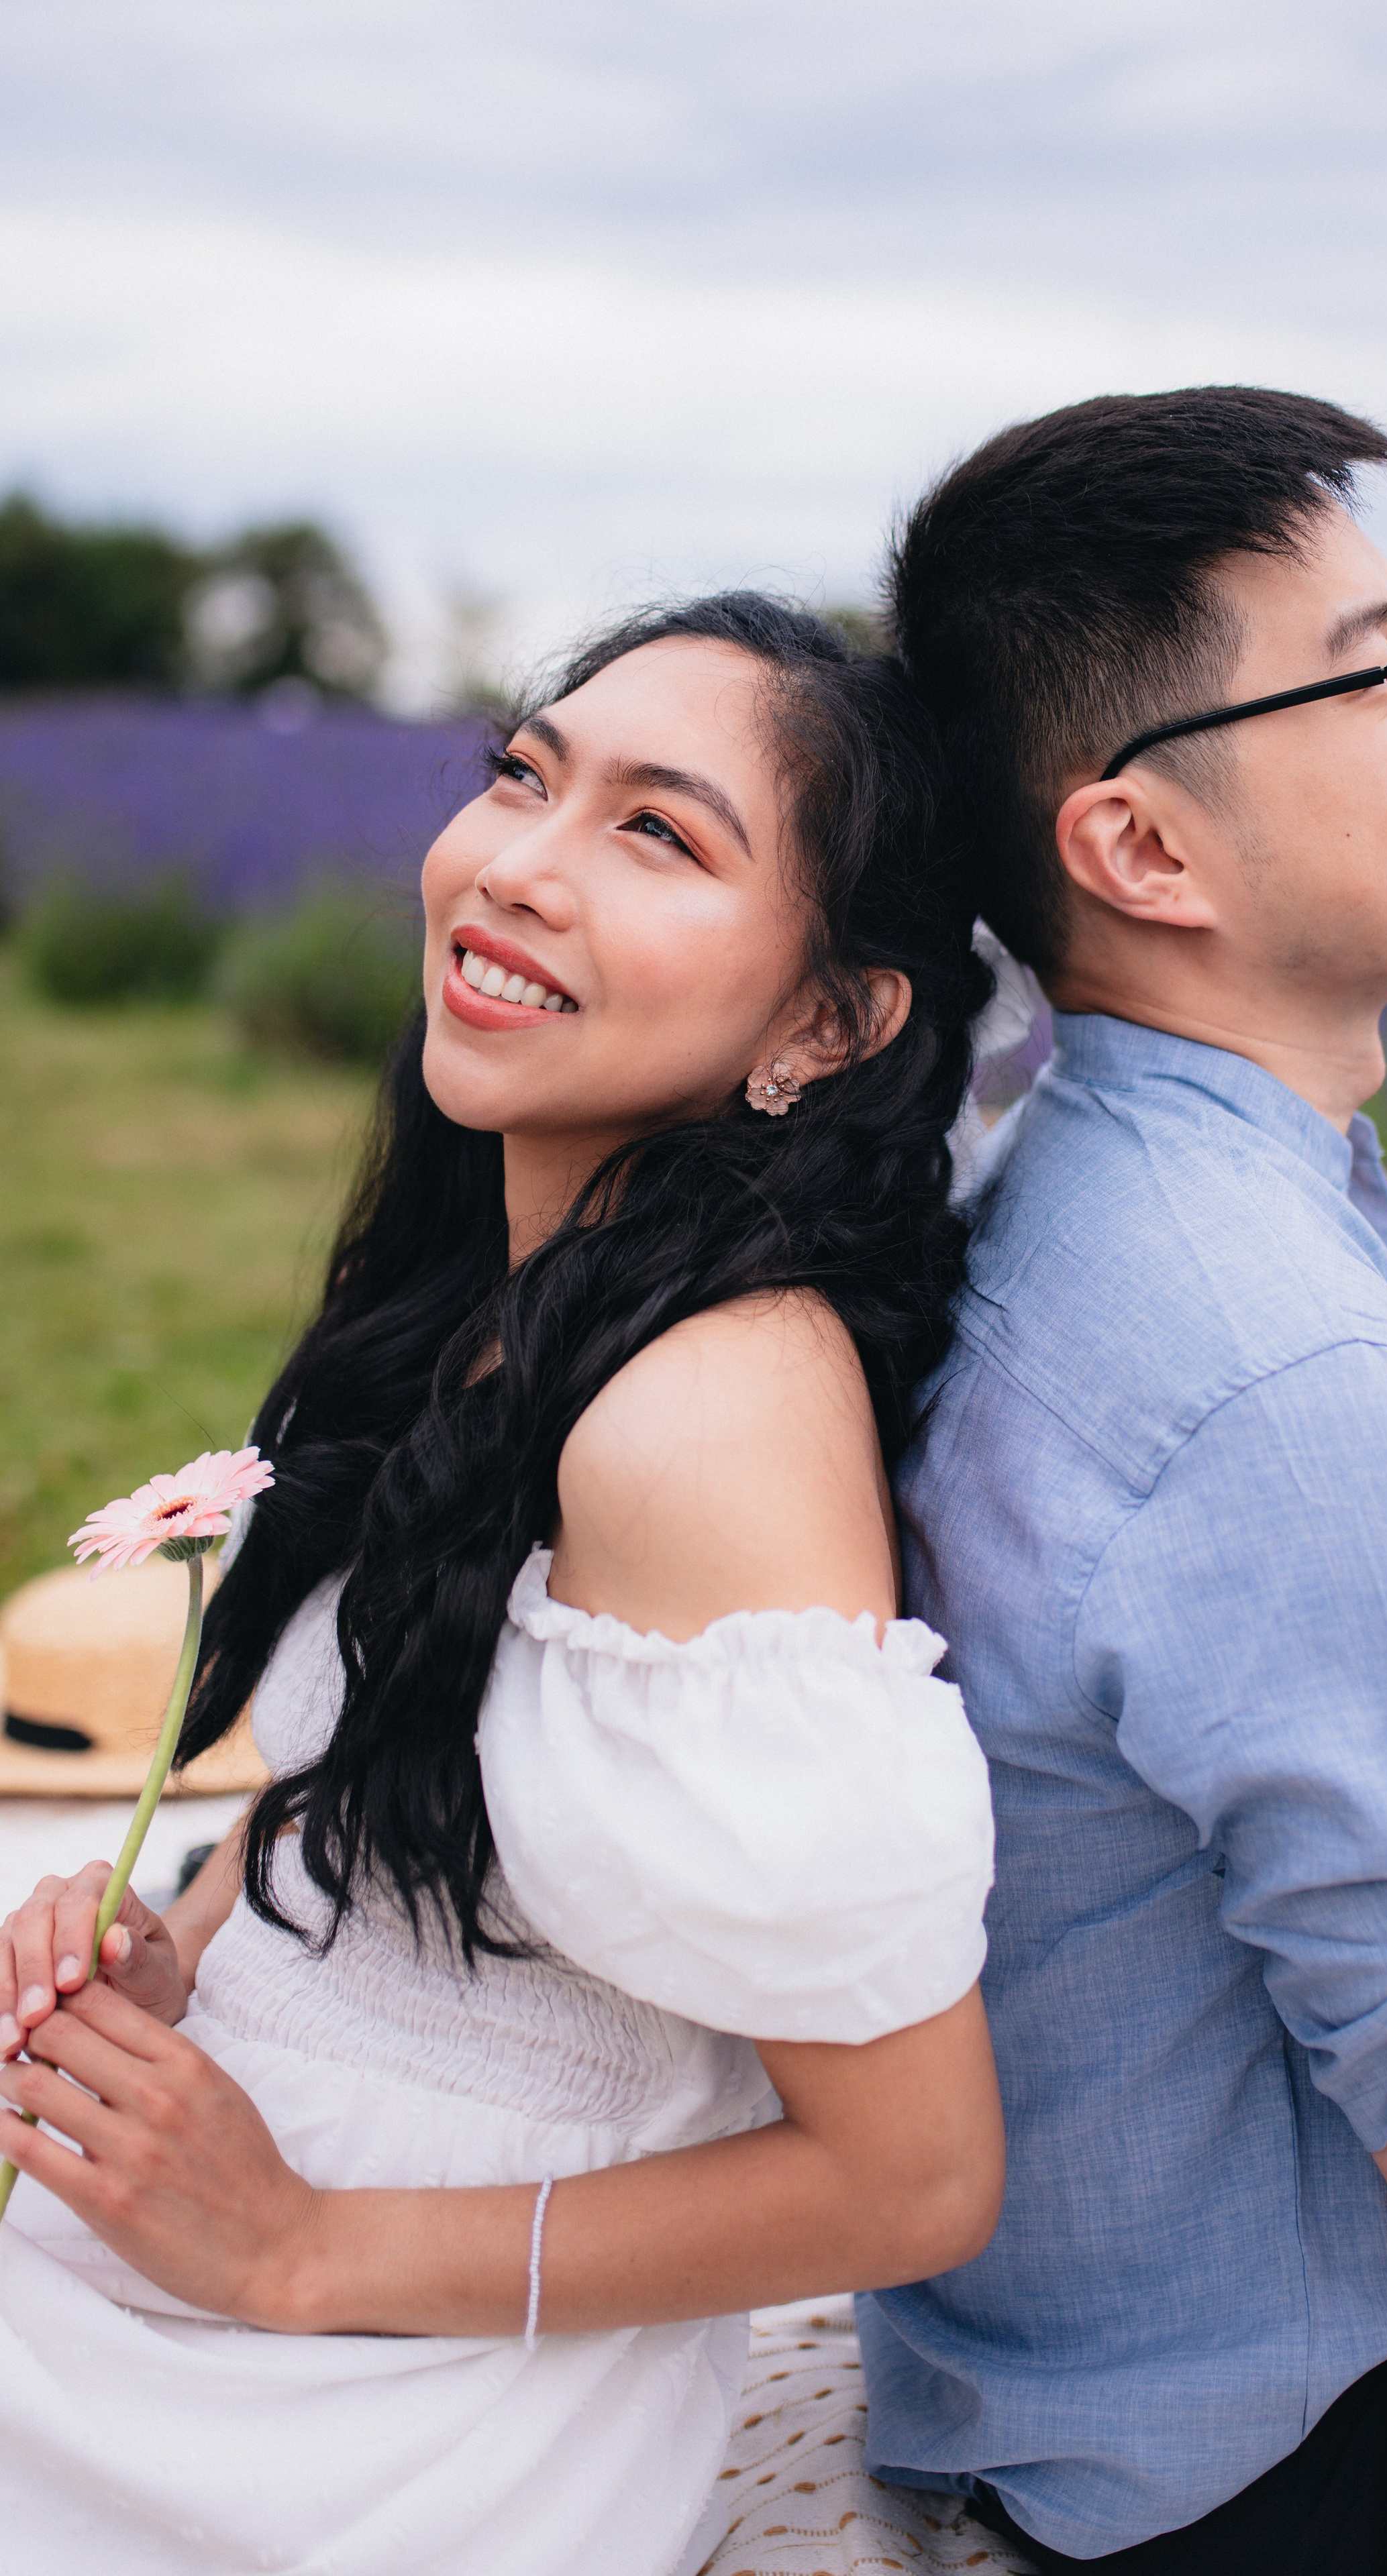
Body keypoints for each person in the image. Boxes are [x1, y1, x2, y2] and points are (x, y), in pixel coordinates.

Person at [0, 594, 1004, 2576]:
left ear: (831, 1020)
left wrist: (297, 2248)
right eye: (526, 775)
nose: (516, 865)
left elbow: (918, 2177)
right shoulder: (509, 1280)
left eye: (660, 833)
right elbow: (384, 1782)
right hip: (212, 2218)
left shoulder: (705, 1418)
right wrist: (164, 1957)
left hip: (374, 2397)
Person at [859, 391, 1387, 2573]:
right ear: (1140, 849)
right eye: (1377, 669)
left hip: (1084, 2340)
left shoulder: (1069, 1172)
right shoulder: (1287, 1386)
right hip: (1310, 2448)